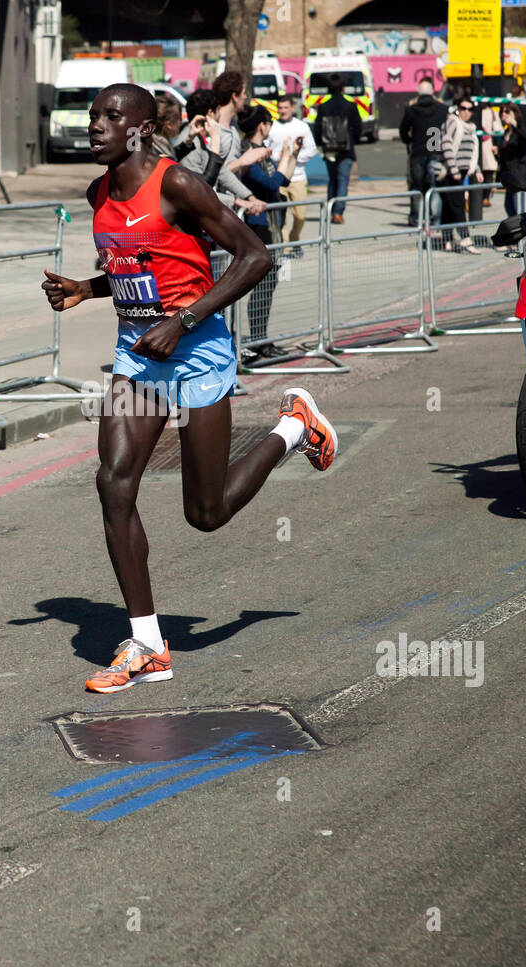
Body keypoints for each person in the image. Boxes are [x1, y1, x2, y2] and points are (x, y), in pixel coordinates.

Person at [41, 83, 338, 693]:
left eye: (111, 117)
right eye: (94, 115)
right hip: (138, 355)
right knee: (113, 483)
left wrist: (184, 321)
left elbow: (255, 256)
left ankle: (293, 427)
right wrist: (86, 289)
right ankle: (147, 643)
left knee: (206, 513)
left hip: (197, 350)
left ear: (142, 129)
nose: (97, 126)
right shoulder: (100, 190)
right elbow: (137, 265)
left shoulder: (177, 184)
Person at [235, 104, 300, 355]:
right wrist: (284, 156)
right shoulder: (248, 154)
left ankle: (261, 338)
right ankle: (256, 341)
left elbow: (282, 181)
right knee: (262, 286)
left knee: (268, 285)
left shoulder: (261, 152)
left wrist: (291, 154)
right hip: (257, 229)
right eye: (269, 122)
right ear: (262, 125)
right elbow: (272, 181)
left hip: (272, 226)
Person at [179, 89, 268, 220]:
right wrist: (237, 201)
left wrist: (249, 197)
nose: (220, 115)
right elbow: (199, 189)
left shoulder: (199, 139)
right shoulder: (190, 144)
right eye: (218, 110)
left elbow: (222, 171)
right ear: (210, 114)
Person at [311, 73, 362, 225]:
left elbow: (317, 130)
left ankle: (331, 208)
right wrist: (354, 141)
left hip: (329, 149)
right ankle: (338, 212)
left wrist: (322, 144)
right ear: (343, 88)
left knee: (332, 179)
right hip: (346, 149)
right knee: (343, 180)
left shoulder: (323, 106)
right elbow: (358, 128)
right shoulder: (351, 106)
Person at [398, 79, 448, 227]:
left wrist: (409, 140)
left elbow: (402, 130)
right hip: (436, 151)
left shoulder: (412, 110)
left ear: (418, 93)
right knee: (434, 186)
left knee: (416, 186)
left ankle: (415, 218)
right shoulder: (442, 109)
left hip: (418, 151)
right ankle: (434, 217)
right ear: (432, 92)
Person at [267, 94, 316, 242]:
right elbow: (266, 151)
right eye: (280, 108)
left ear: (292, 108)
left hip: (298, 177)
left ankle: (295, 239)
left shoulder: (302, 126)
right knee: (281, 216)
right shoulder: (272, 127)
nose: (283, 111)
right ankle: (286, 246)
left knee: (300, 215)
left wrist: (293, 155)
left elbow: (311, 150)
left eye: (286, 108)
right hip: (278, 178)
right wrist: (280, 156)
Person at [438, 97, 484, 252]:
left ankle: (446, 240)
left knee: (449, 207)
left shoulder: (470, 128)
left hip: (462, 171)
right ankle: (465, 239)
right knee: (457, 205)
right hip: (451, 172)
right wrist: (454, 169)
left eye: (470, 109)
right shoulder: (453, 122)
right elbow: (446, 143)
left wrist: (476, 170)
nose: (466, 112)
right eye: (463, 108)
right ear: (458, 109)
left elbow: (471, 153)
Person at [494, 103, 526, 217]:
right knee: (509, 207)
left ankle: (524, 233)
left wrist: (515, 124)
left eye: (507, 112)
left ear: (515, 114)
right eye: (502, 112)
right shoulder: (506, 132)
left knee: (520, 210)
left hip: (520, 176)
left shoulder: (520, 128)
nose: (504, 115)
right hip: (509, 177)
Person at [151, 93, 183, 158]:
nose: (180, 123)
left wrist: (189, 140)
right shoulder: (158, 152)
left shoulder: (156, 142)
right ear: (169, 124)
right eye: (179, 119)